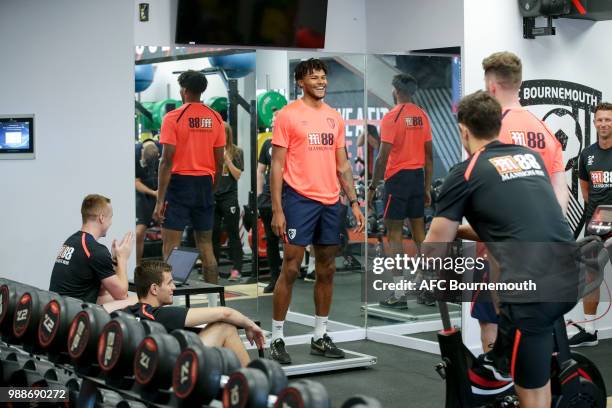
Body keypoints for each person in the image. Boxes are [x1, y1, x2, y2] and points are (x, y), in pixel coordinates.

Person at [426, 90, 576, 407]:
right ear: (498, 124)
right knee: (531, 373)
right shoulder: (528, 157)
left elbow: (433, 248)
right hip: (568, 273)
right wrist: (459, 233)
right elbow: (507, 225)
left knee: (530, 389)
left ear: (463, 131)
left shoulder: (465, 171)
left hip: (530, 290)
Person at [462, 51, 571, 351]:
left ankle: (502, 392)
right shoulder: (545, 131)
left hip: (499, 253)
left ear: (492, 88)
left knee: (492, 325)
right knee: (532, 331)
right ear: (519, 83)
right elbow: (560, 192)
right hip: (542, 256)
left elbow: (477, 189)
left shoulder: (489, 132)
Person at [269, 58, 365, 364]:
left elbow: (343, 164)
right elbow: (277, 165)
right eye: (315, 77)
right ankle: (277, 337)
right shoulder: (287, 115)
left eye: (324, 77)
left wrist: (354, 201)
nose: (321, 81)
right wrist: (277, 209)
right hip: (298, 199)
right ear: (301, 82)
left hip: (330, 202)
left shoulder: (334, 118)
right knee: (292, 268)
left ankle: (320, 336)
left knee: (327, 268)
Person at [153, 70, 225, 292]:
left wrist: (159, 201)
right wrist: (211, 188)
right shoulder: (215, 118)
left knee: (171, 248)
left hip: (179, 185)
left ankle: (169, 303)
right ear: (202, 90)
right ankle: (214, 308)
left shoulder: (173, 117)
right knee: (206, 246)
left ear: (183, 90)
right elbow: (220, 162)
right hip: (204, 184)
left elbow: (166, 161)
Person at [367, 73, 433, 309]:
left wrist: (373, 186)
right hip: (416, 178)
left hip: (397, 179)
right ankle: (426, 288)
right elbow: (429, 156)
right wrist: (426, 187)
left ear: (396, 91)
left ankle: (399, 292)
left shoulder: (392, 117)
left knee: (394, 234)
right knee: (419, 235)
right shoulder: (422, 116)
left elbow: (382, 157)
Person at [123, 260, 264, 367]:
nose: (173, 287)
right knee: (225, 327)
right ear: (154, 289)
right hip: (170, 373)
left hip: (141, 370)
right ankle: (252, 384)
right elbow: (225, 313)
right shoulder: (160, 315)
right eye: (169, 283)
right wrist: (250, 325)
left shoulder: (125, 312)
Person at [49, 194, 137, 312]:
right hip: (73, 314)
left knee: (113, 297)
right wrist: (123, 258)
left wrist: (115, 260)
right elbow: (121, 293)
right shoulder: (95, 250)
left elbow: (103, 289)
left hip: (58, 308)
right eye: (110, 217)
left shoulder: (72, 240)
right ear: (101, 218)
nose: (111, 223)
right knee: (135, 300)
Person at [570, 101, 612, 347]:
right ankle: (590, 330)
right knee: (591, 276)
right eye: (600, 120)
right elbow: (586, 191)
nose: (604, 124)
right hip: (597, 222)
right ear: (595, 123)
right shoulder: (587, 154)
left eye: (608, 119)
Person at [212, 123, 244, 281]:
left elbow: (237, 175)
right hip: (213, 196)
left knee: (233, 233)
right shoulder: (211, 150)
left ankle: (236, 269)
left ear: (227, 134)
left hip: (229, 197)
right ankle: (213, 269)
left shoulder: (237, 152)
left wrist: (227, 160)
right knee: (213, 234)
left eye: (221, 133)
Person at [257, 135, 282, 293]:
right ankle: (275, 278)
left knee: (290, 240)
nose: (273, 122)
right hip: (268, 197)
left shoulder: (294, 141)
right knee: (271, 239)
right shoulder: (267, 144)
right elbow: (260, 171)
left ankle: (288, 277)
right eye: (273, 119)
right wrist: (259, 195)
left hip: (289, 193)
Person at [135, 139, 160, 265]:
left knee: (168, 231)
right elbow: (136, 182)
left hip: (160, 193)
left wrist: (158, 201)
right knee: (139, 233)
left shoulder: (162, 149)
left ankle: (167, 266)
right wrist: (153, 193)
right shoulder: (135, 152)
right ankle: (137, 266)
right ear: (142, 153)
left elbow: (164, 178)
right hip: (143, 194)